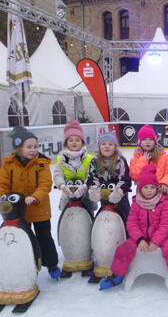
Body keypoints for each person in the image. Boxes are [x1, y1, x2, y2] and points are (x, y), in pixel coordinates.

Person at [99, 165, 168, 294]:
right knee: (123, 249)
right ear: (140, 188)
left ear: (157, 188)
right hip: (139, 237)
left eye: (152, 187)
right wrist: (139, 239)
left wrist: (155, 241)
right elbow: (131, 224)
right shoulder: (136, 203)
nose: (149, 190)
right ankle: (117, 275)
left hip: (161, 238)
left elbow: (166, 224)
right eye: (145, 187)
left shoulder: (163, 203)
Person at [0, 127, 60, 280]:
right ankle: (25, 265)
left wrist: (35, 197)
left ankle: (52, 264)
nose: (33, 150)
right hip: (17, 211)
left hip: (39, 208)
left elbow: (46, 184)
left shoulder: (41, 164)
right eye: (29, 147)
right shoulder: (8, 165)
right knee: (22, 239)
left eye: (35, 146)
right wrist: (3, 198)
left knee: (44, 237)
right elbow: (3, 184)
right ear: (18, 147)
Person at [53, 119, 96, 213]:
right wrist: (62, 186)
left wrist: (85, 186)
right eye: (70, 140)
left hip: (85, 195)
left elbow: (92, 175)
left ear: (82, 142)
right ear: (66, 143)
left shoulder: (89, 159)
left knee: (89, 214)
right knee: (66, 216)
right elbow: (57, 175)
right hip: (67, 195)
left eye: (77, 140)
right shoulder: (61, 159)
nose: (74, 142)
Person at [86, 132, 131, 219]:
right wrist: (94, 190)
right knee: (105, 217)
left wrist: (118, 192)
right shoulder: (95, 161)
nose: (107, 146)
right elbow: (92, 177)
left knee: (125, 218)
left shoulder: (120, 160)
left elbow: (125, 179)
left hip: (121, 198)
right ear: (99, 147)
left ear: (115, 147)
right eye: (103, 144)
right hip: (104, 196)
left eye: (110, 144)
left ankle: (126, 230)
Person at [129, 125, 168, 194]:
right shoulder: (136, 158)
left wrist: (164, 182)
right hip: (143, 194)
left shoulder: (164, 157)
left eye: (150, 139)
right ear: (139, 142)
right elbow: (135, 176)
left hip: (161, 192)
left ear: (155, 141)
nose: (148, 142)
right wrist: (143, 160)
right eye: (144, 139)